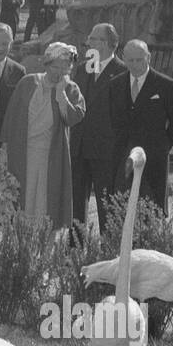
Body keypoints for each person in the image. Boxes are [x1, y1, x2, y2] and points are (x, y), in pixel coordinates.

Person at [1, 41, 85, 227]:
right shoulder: (28, 82)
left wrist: (61, 94)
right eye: (56, 67)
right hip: (22, 153)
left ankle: (44, 248)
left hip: (51, 155)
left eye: (65, 69)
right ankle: (19, 245)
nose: (59, 73)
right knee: (21, 201)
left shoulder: (71, 89)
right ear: (47, 63)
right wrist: (4, 151)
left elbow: (73, 118)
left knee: (46, 204)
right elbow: (11, 117)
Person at [108, 39, 173, 212]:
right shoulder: (115, 85)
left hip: (153, 158)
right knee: (121, 208)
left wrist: (163, 145)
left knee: (151, 209)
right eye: (130, 60)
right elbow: (111, 118)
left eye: (139, 59)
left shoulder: (166, 85)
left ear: (148, 57)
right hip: (122, 157)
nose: (135, 65)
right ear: (123, 58)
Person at [71, 22, 128, 230]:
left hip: (106, 151)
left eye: (93, 38)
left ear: (105, 43)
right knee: (76, 206)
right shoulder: (83, 69)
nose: (88, 42)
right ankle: (74, 252)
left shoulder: (122, 72)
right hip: (79, 148)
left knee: (107, 206)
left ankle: (109, 253)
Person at [0, 22, 25, 127]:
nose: (0, 48)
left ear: (11, 44)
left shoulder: (19, 72)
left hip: (5, 133)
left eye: (5, 44)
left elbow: (19, 109)